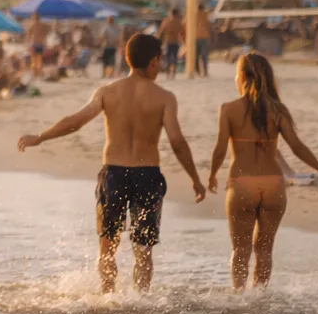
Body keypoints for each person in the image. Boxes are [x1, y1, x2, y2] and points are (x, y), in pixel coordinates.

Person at [17, 33, 205, 294]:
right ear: (153, 61)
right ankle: (141, 300)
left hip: (114, 175)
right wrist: (195, 179)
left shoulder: (107, 92)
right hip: (147, 176)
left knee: (107, 248)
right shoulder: (164, 97)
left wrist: (41, 137)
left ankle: (108, 299)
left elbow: (75, 121)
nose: (160, 67)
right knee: (143, 250)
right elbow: (177, 142)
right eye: (160, 62)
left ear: (127, 59)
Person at [206, 53, 318, 290]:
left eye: (236, 74)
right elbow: (297, 146)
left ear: (242, 76)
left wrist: (212, 175)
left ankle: (239, 298)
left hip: (242, 183)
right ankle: (260, 300)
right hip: (273, 185)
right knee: (265, 251)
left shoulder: (228, 109)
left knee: (241, 249)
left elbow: (219, 149)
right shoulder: (278, 110)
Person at [157, 7, 185, 77]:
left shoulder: (167, 21)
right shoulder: (178, 22)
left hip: (168, 42)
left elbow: (161, 31)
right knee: (175, 57)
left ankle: (168, 72)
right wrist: (183, 41)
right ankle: (173, 73)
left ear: (171, 14)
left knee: (168, 57)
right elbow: (182, 32)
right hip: (175, 42)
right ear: (176, 14)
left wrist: (157, 38)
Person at [26, 12, 49, 77]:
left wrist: (28, 44)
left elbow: (28, 35)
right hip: (37, 44)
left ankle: (36, 73)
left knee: (36, 60)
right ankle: (37, 73)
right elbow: (28, 35)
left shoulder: (33, 25)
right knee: (37, 60)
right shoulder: (39, 25)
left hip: (36, 44)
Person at [193, 6, 212, 77]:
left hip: (196, 37)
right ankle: (205, 71)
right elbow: (209, 26)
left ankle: (197, 71)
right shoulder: (205, 15)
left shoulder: (194, 15)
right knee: (204, 56)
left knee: (196, 56)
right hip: (204, 37)